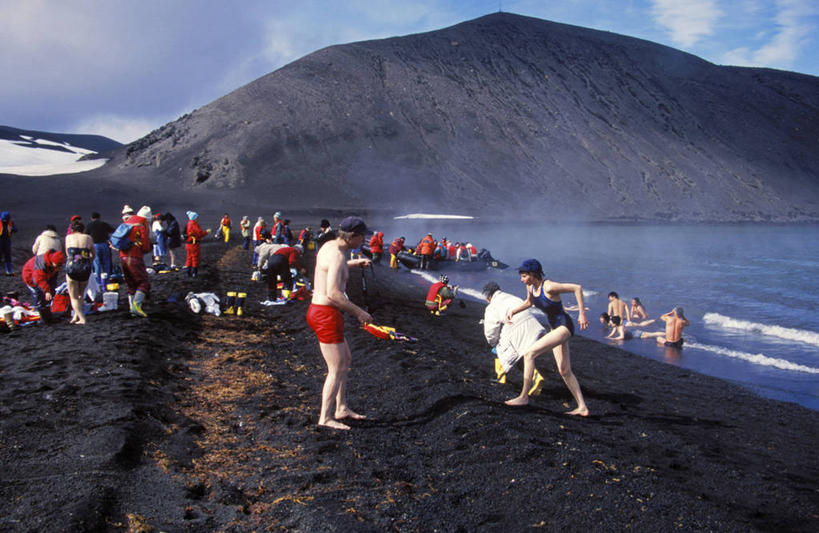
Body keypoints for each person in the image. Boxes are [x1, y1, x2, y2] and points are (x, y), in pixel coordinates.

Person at [307, 216, 373, 430]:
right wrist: (359, 312)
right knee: (336, 367)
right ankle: (325, 418)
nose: (364, 241)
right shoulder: (336, 255)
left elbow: (332, 267)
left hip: (324, 312)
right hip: (325, 313)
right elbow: (334, 293)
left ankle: (341, 407)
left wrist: (355, 263)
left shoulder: (330, 246)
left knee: (345, 359)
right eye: (362, 237)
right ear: (353, 237)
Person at [504, 259, 589, 415]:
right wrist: (513, 311)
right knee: (564, 370)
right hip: (555, 328)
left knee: (529, 354)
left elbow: (577, 288)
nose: (522, 280)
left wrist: (582, 314)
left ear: (533, 274)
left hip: (565, 326)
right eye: (521, 276)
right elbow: (529, 302)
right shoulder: (530, 287)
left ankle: (523, 397)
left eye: (524, 276)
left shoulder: (549, 286)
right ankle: (582, 407)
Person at [482, 281, 547, 394]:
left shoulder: (492, 306)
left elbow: (491, 330)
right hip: (535, 327)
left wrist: (493, 343)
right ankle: (536, 377)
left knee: (502, 350)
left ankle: (501, 378)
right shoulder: (512, 297)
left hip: (517, 327)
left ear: (489, 296)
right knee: (524, 355)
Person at [120, 206, 152, 317]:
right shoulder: (141, 226)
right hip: (135, 257)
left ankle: (132, 309)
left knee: (131, 284)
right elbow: (146, 247)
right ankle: (136, 306)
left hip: (123, 257)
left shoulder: (127, 223)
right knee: (143, 283)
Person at [22, 249, 65, 323]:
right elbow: (38, 280)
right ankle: (39, 316)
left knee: (48, 295)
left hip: (44, 276)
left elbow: (53, 279)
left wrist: (51, 290)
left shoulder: (54, 265)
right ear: (53, 262)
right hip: (30, 278)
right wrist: (47, 291)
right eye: (58, 265)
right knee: (38, 296)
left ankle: (47, 313)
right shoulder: (41, 265)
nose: (59, 267)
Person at [64, 219, 95, 325]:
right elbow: (93, 254)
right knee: (81, 294)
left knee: (73, 296)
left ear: (72, 229)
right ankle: (76, 316)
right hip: (85, 267)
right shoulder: (88, 238)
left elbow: (67, 254)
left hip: (72, 267)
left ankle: (82, 318)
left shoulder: (68, 237)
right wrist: (88, 261)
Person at [85, 212, 114, 287]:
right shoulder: (103, 224)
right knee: (106, 263)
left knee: (97, 264)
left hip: (95, 245)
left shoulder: (89, 225)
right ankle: (107, 281)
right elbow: (112, 230)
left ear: (91, 218)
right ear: (99, 217)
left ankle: (98, 282)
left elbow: (86, 234)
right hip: (104, 245)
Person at [184, 211, 209, 277]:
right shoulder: (194, 224)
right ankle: (194, 272)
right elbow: (199, 234)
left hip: (188, 243)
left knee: (189, 258)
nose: (197, 219)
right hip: (194, 244)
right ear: (194, 218)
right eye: (196, 217)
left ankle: (187, 272)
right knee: (195, 257)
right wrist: (206, 232)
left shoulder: (188, 223)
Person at [0, 211, 17, 275]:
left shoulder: (10, 222)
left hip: (7, 240)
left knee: (7, 255)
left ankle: (8, 270)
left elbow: (16, 229)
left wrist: (12, 229)